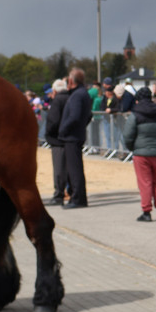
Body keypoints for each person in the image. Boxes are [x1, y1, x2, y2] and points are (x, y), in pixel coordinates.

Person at [123, 86, 156, 222]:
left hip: (141, 153)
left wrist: (132, 147)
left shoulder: (135, 115)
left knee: (145, 183)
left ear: (137, 100)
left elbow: (127, 135)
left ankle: (146, 212)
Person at [59, 68, 91, 209]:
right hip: (76, 134)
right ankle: (76, 197)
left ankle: (78, 199)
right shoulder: (82, 94)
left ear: (71, 81)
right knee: (74, 168)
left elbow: (75, 116)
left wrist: (63, 129)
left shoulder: (78, 95)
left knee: (74, 169)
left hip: (72, 136)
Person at [44, 79, 70, 206]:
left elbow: (53, 121)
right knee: (71, 167)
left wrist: (48, 134)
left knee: (59, 168)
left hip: (58, 139)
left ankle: (59, 194)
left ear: (54, 90)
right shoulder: (72, 97)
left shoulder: (57, 101)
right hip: (71, 138)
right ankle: (72, 192)